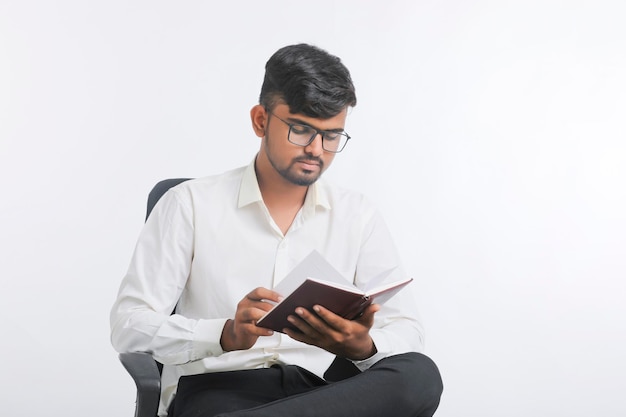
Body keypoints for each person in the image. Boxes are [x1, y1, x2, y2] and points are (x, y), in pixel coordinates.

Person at [110, 43, 443, 417]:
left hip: (324, 395)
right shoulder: (188, 203)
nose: (316, 149)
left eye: (332, 136)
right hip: (219, 390)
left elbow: (406, 330)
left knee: (420, 374)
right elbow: (129, 324)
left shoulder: (358, 214)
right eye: (301, 130)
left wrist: (361, 346)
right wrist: (223, 334)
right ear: (260, 120)